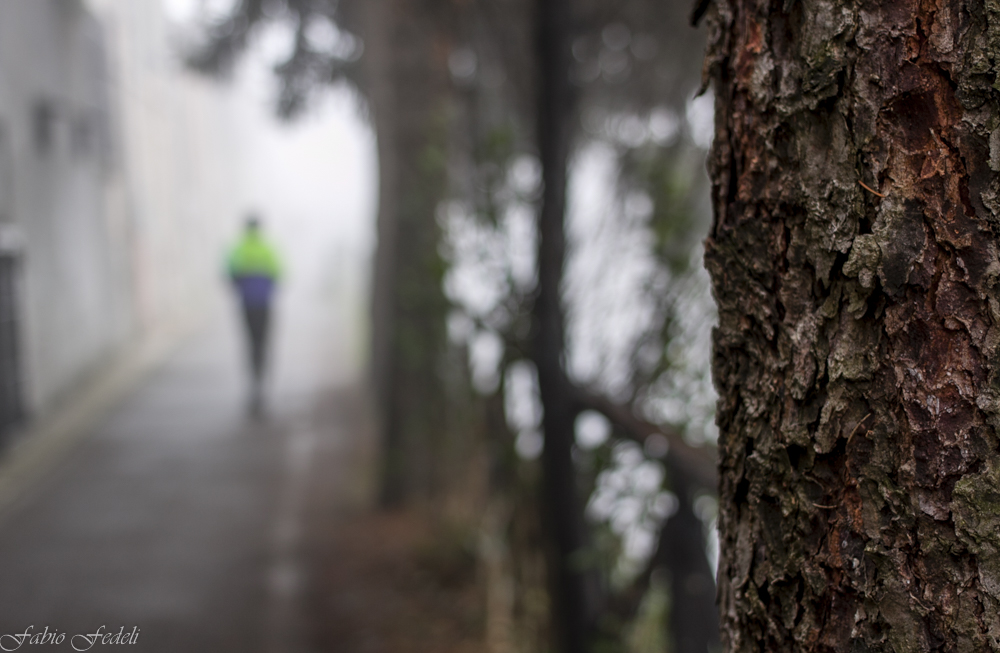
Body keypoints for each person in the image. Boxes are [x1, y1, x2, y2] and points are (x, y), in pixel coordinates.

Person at [227, 215, 282, 411]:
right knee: (264, 343)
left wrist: (243, 288)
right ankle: (262, 383)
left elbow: (229, 275)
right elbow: (280, 274)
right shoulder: (268, 248)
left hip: (247, 305)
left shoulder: (238, 249)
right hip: (264, 305)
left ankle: (253, 384)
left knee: (251, 344)